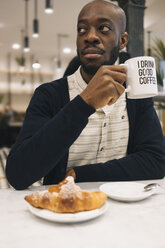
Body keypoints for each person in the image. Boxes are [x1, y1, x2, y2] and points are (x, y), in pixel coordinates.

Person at [6, 0, 165, 190]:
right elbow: (18, 174)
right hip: (62, 211)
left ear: (122, 41)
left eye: (104, 28)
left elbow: (156, 162)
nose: (90, 36)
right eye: (82, 29)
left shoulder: (136, 96)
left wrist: (80, 174)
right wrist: (84, 103)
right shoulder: (49, 95)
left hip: (123, 211)